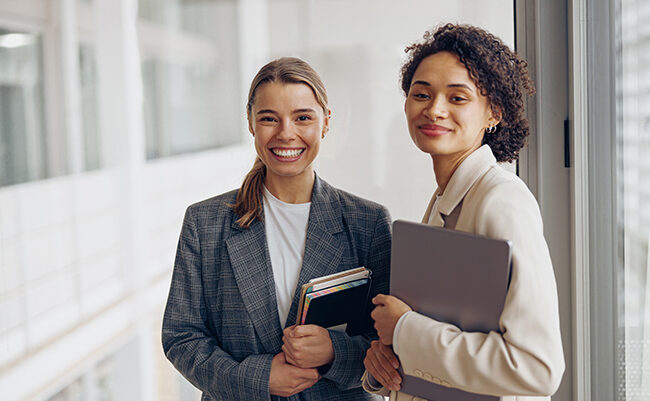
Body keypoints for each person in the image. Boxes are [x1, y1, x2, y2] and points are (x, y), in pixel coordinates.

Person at [162, 57, 390, 401]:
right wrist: (258, 377)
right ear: (251, 124)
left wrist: (333, 352)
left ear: (325, 123)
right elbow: (181, 337)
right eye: (269, 119)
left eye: (302, 118)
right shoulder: (204, 223)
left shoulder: (368, 223)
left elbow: (387, 344)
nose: (286, 133)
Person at [362, 23, 565, 401]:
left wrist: (404, 329)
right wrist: (386, 364)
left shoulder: (501, 202)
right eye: (421, 94)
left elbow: (537, 368)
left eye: (457, 98)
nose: (434, 109)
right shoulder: (446, 196)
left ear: (493, 113)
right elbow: (449, 337)